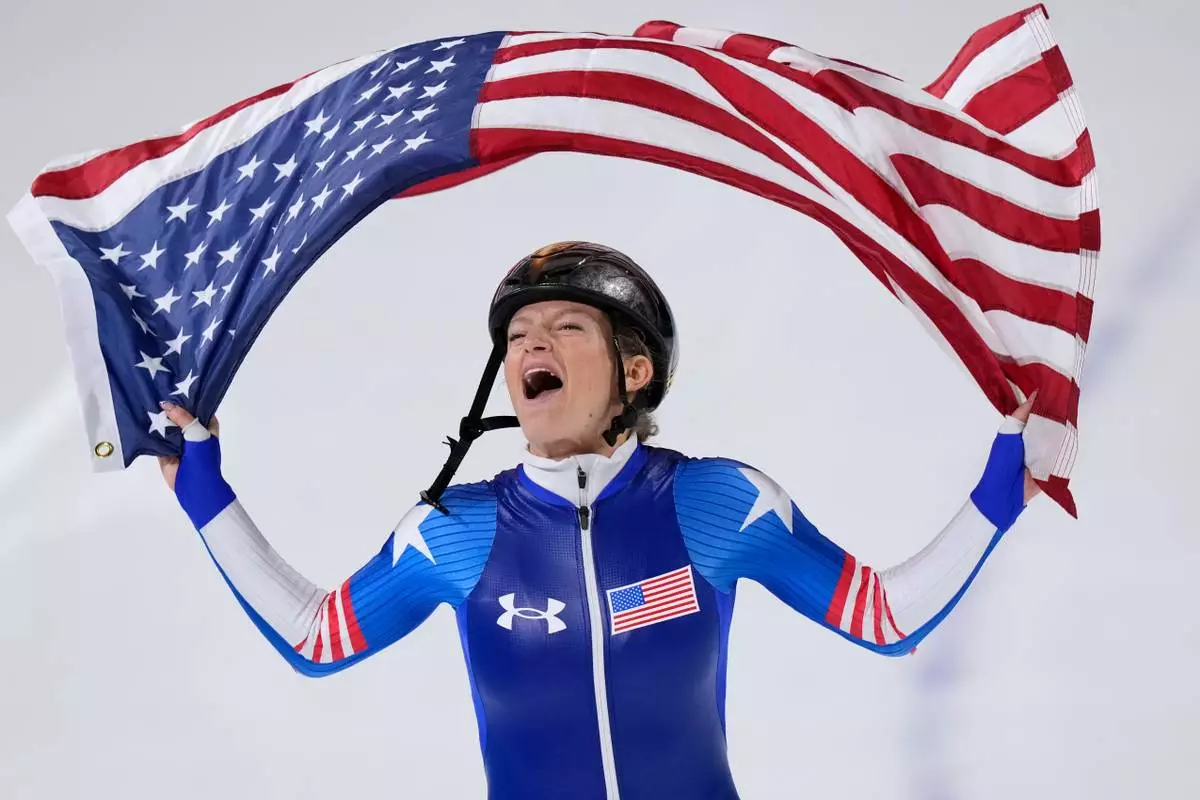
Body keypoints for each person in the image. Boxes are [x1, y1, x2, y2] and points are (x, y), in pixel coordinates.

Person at [158, 241, 1039, 800]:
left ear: (636, 371)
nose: (531, 347)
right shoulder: (455, 532)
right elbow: (317, 639)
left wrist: (999, 489)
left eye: (566, 326)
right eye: (518, 337)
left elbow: (884, 621)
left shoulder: (719, 505)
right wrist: (206, 498)